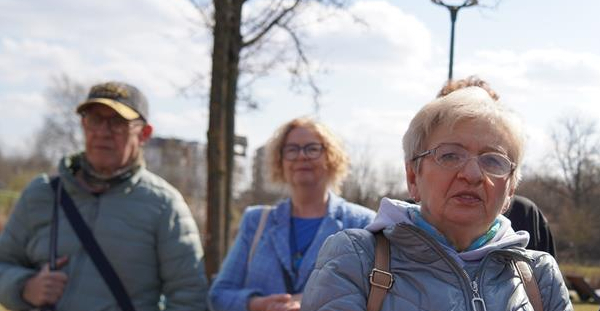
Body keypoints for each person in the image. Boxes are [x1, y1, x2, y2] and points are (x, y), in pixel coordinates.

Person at [301, 87, 572, 311]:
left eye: (493, 161)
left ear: (510, 189)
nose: (472, 174)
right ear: (413, 176)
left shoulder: (539, 275)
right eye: (450, 155)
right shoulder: (357, 258)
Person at [0, 81, 208, 311]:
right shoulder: (42, 193)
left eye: (117, 123)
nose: (102, 132)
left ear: (144, 134)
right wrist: (24, 287)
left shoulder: (164, 206)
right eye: (95, 119)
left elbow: (190, 297)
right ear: (83, 124)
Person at [209, 117, 375, 311]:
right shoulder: (255, 221)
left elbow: (377, 296)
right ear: (280, 161)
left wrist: (312, 304)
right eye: (292, 149)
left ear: (331, 157)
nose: (301, 156)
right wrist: (259, 305)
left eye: (312, 149)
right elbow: (218, 295)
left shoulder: (362, 223)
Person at [438, 75, 557, 257]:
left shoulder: (524, 215)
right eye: (452, 155)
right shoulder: (401, 224)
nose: (471, 173)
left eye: (490, 157)